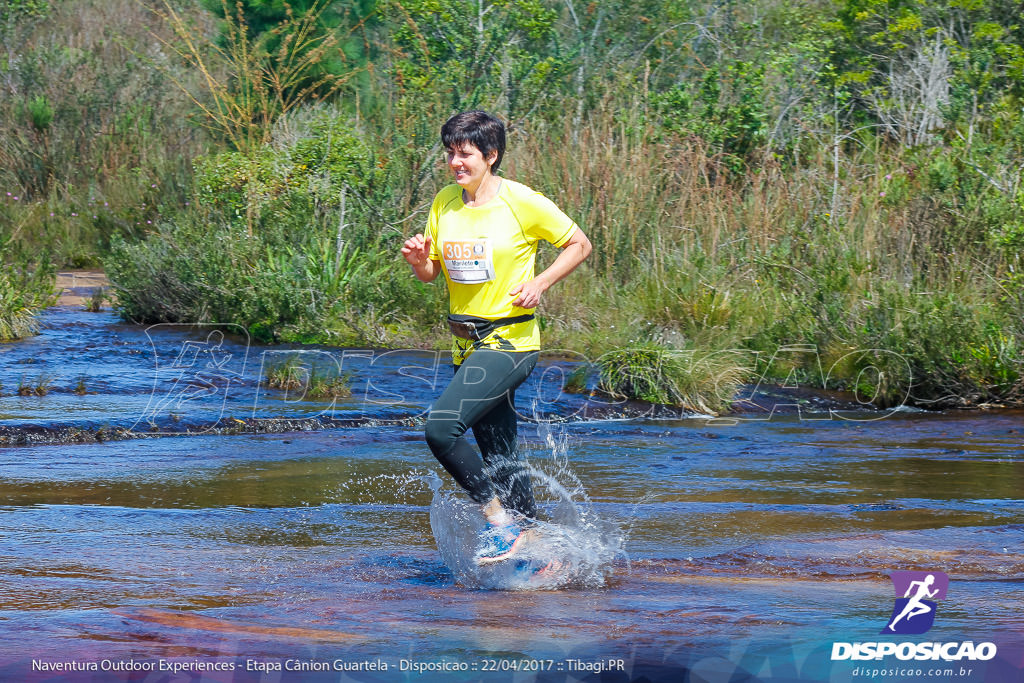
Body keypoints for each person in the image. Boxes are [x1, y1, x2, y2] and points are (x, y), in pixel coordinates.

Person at [401, 110, 591, 565]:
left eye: (464, 154)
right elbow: (433, 274)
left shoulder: (522, 202)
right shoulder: (445, 201)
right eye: (450, 153)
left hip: (510, 343)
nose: (454, 162)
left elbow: (579, 244)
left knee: (441, 428)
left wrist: (540, 283)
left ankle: (499, 524)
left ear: (491, 155)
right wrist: (417, 260)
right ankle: (546, 556)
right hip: (465, 344)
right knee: (500, 455)